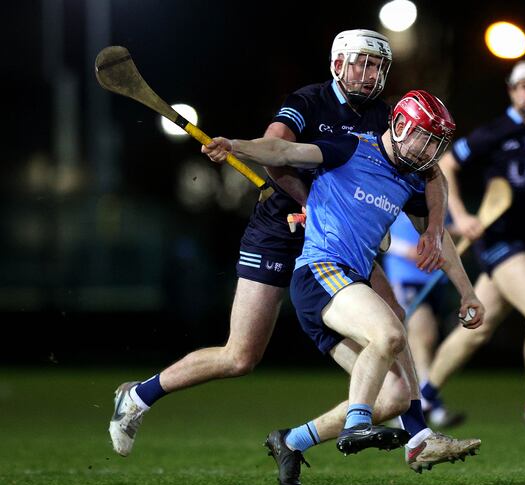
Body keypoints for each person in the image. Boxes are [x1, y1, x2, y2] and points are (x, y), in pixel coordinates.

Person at [108, 30, 450, 458]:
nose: (370, 74)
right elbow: (278, 151)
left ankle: (417, 435)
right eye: (362, 63)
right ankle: (138, 396)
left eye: (378, 66)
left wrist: (435, 228)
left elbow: (432, 173)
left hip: (336, 239)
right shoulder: (309, 100)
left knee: (393, 320)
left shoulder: (384, 116)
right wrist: (257, 161)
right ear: (338, 64)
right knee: (240, 357)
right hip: (278, 229)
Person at [202, 89, 484, 485]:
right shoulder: (350, 148)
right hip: (320, 272)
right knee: (390, 332)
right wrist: (236, 145)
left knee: (394, 397)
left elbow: (440, 232)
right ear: (399, 125)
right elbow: (283, 151)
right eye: (424, 139)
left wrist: (468, 292)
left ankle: (291, 440)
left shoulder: (409, 178)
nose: (429, 152)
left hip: (349, 284)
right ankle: (358, 425)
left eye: (436, 144)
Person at [418, 60, 525, 440]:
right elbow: (445, 164)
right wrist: (460, 216)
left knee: (476, 330)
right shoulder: (494, 133)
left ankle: (422, 400)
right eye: (524, 87)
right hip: (499, 241)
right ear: (512, 91)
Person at [382, 212, 466, 428]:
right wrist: (406, 250)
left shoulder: (437, 199)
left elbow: (442, 232)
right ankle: (429, 405)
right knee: (423, 336)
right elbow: (376, 236)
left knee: (425, 342)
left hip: (434, 279)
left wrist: (461, 231)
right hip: (404, 277)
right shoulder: (394, 195)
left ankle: (417, 405)